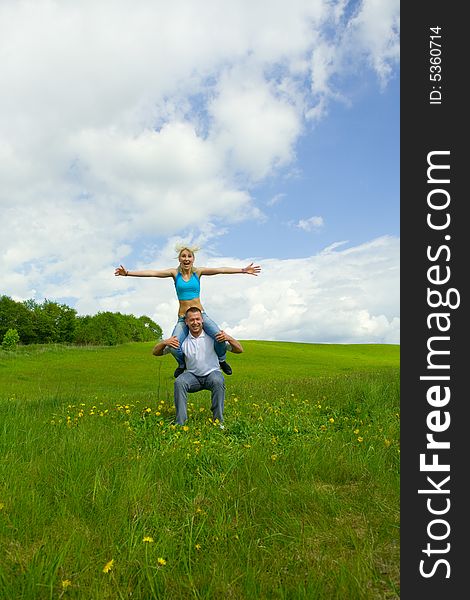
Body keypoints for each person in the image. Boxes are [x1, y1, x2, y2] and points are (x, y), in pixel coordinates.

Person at [115, 244, 259, 377]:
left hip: (200, 315)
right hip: (183, 318)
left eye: (189, 256)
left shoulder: (198, 272)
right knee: (172, 344)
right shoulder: (174, 273)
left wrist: (243, 270)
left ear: (193, 259)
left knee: (219, 336)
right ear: (179, 259)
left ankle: (221, 360)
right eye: (183, 256)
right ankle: (182, 364)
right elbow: (153, 273)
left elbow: (221, 270)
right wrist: (127, 273)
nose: (186, 258)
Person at [152, 306, 243, 427]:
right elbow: (155, 352)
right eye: (191, 320)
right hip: (192, 377)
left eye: (197, 319)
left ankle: (218, 422)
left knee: (218, 380)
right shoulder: (182, 341)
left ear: (202, 320)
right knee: (179, 382)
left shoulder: (213, 338)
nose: (195, 322)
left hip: (212, 374)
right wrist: (164, 342)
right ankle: (180, 423)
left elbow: (239, 349)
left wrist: (229, 338)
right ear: (186, 322)